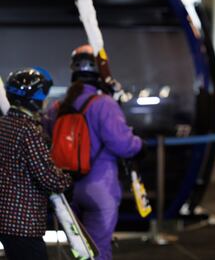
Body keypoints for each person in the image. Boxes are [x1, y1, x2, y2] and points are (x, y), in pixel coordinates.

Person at [44, 44, 143, 260]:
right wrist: (137, 142)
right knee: (97, 251)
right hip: (100, 189)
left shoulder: (57, 106)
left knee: (78, 251)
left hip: (66, 189)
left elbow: (46, 138)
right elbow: (124, 145)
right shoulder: (103, 104)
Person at [0, 67, 72, 260]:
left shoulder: (4, 124)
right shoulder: (28, 130)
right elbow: (47, 177)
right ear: (34, 100)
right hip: (24, 221)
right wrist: (68, 179)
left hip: (5, 219)